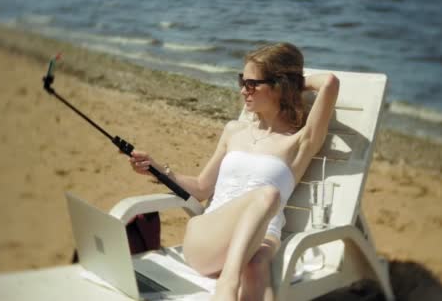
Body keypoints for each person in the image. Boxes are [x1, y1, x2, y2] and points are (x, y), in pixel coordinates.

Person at [128, 42, 339, 301]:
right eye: (242, 80)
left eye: (251, 84)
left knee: (256, 266)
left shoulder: (299, 143)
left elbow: (329, 82)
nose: (242, 91)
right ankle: (228, 283)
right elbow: (202, 187)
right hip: (208, 237)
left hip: (262, 240)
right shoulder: (234, 131)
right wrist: (156, 168)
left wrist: (293, 82)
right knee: (269, 196)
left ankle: (230, 281)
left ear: (279, 86)